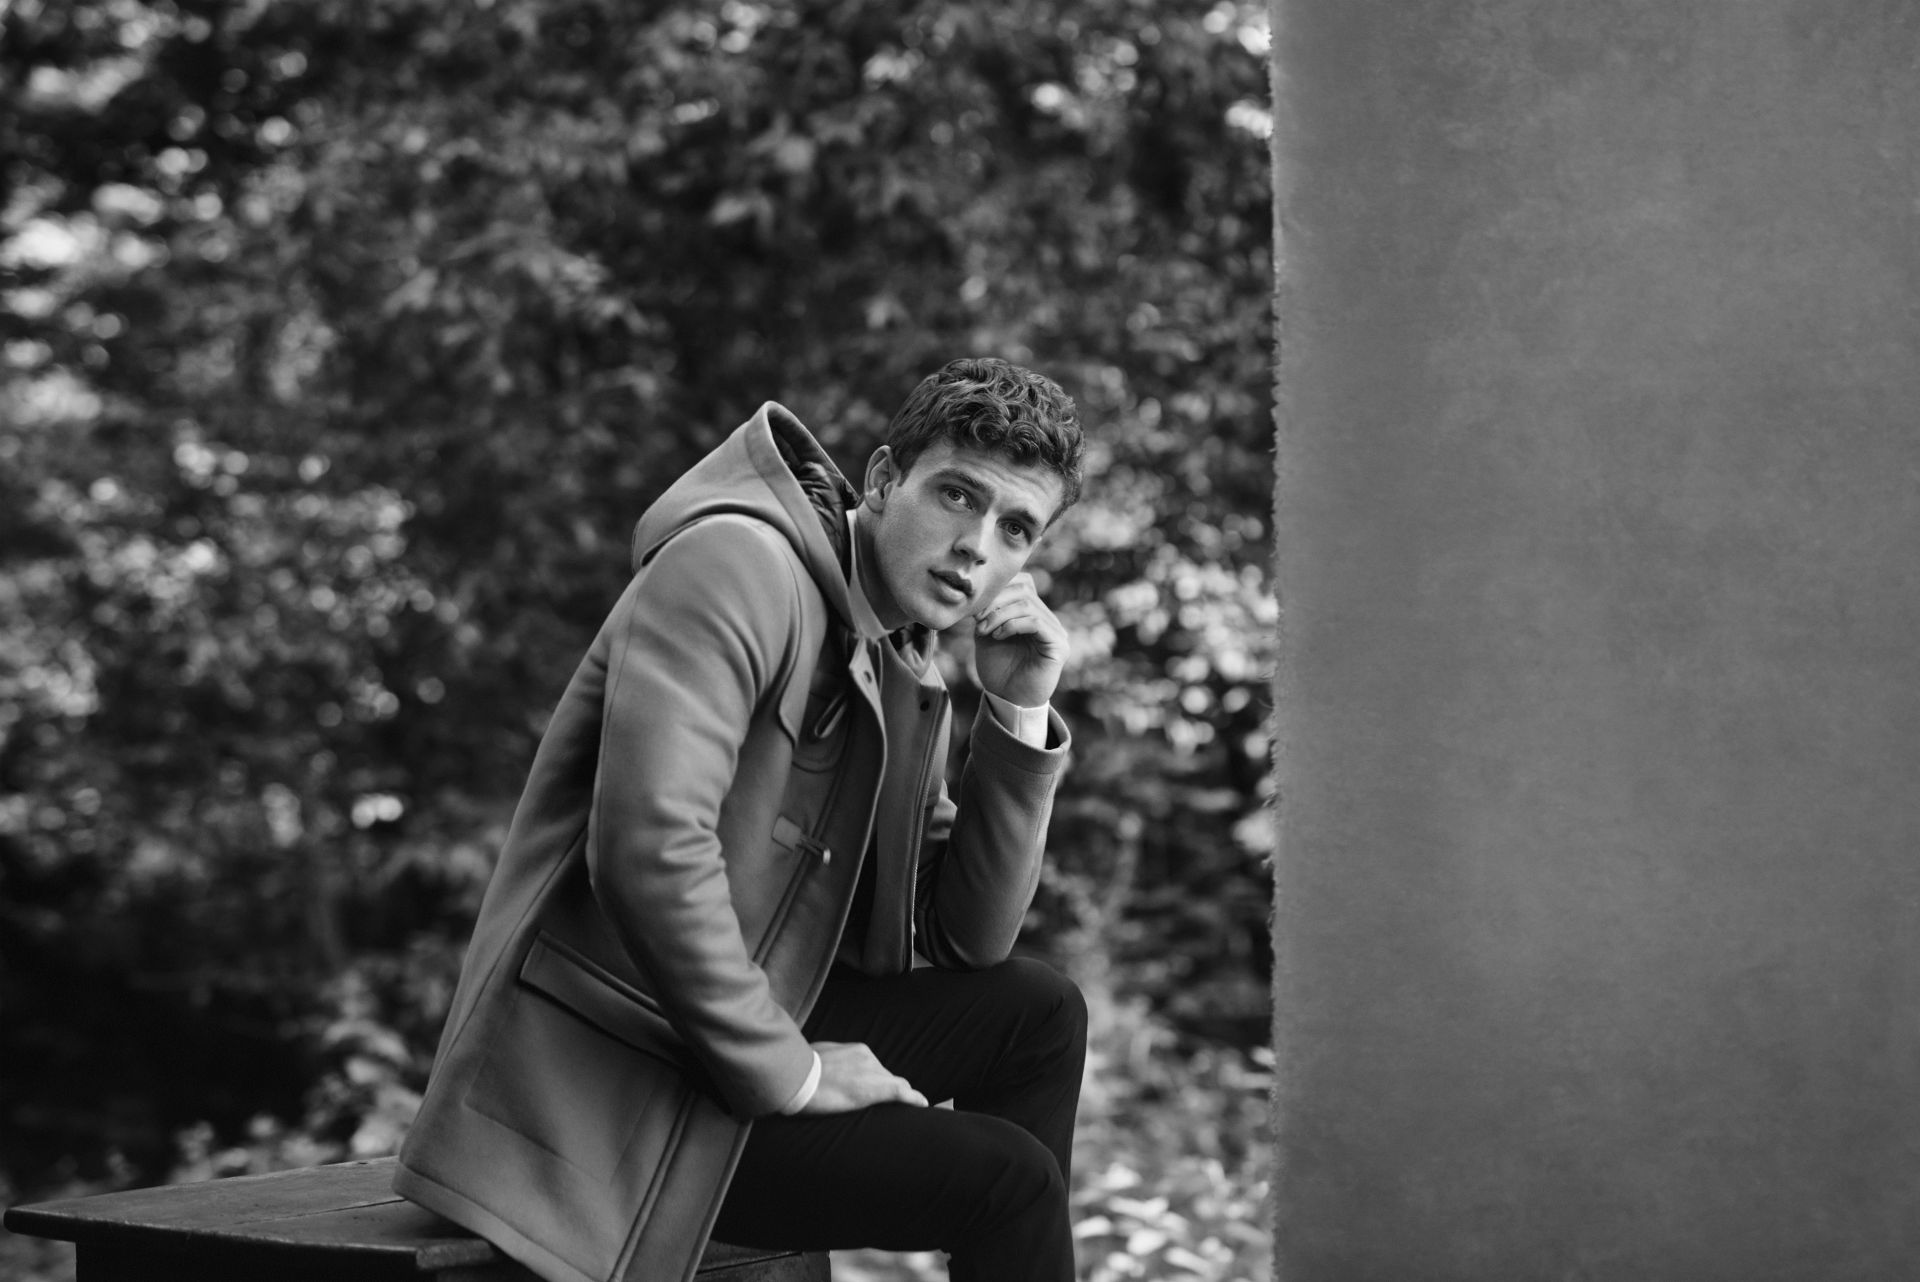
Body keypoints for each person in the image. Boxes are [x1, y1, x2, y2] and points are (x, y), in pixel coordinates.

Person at [394, 358, 1088, 1282]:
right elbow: (647, 852)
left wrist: (1019, 713)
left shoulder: (903, 658)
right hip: (611, 1084)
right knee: (1011, 1182)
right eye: (957, 495)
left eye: (1014, 529)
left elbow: (964, 938)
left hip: (729, 1046)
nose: (975, 547)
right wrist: (799, 1073)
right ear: (884, 478)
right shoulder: (734, 564)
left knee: (1039, 1014)